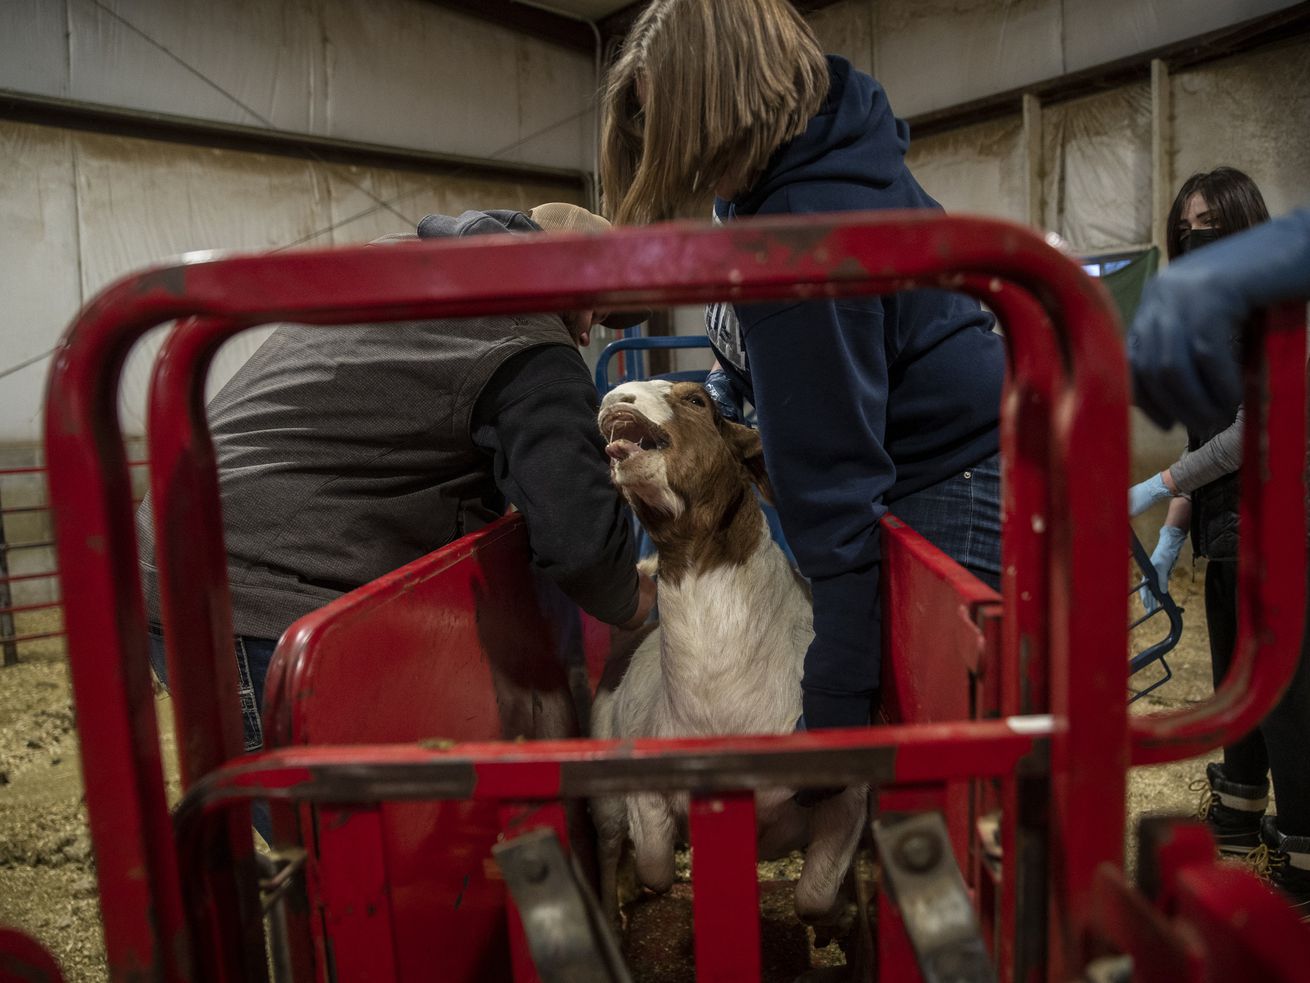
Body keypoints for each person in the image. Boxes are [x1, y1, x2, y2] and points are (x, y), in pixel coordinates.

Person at [137, 203, 657, 838]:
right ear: (571, 280)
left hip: (188, 550)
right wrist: (637, 602)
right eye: (593, 312)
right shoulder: (527, 336)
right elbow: (579, 544)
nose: (585, 334)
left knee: (309, 823)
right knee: (335, 849)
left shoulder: (409, 258)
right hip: (254, 584)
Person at [599, 0, 1005, 770]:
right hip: (916, 463)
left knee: (936, 760)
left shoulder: (799, 223)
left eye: (667, 121)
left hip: (942, 473)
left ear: (714, 101)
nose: (660, 148)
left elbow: (835, 499)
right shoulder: (776, 179)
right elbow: (755, 355)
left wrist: (831, 718)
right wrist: (709, 409)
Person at [1128, 203, 1310, 913]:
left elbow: (1250, 433)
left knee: (1288, 694)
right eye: (1184, 227)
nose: (1193, 238)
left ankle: (1301, 857)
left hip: (1284, 525)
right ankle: (1239, 811)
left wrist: (1161, 485)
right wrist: (1173, 530)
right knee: (1238, 680)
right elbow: (1204, 434)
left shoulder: (1277, 314)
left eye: (1207, 224)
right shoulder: (1222, 321)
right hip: (1229, 532)